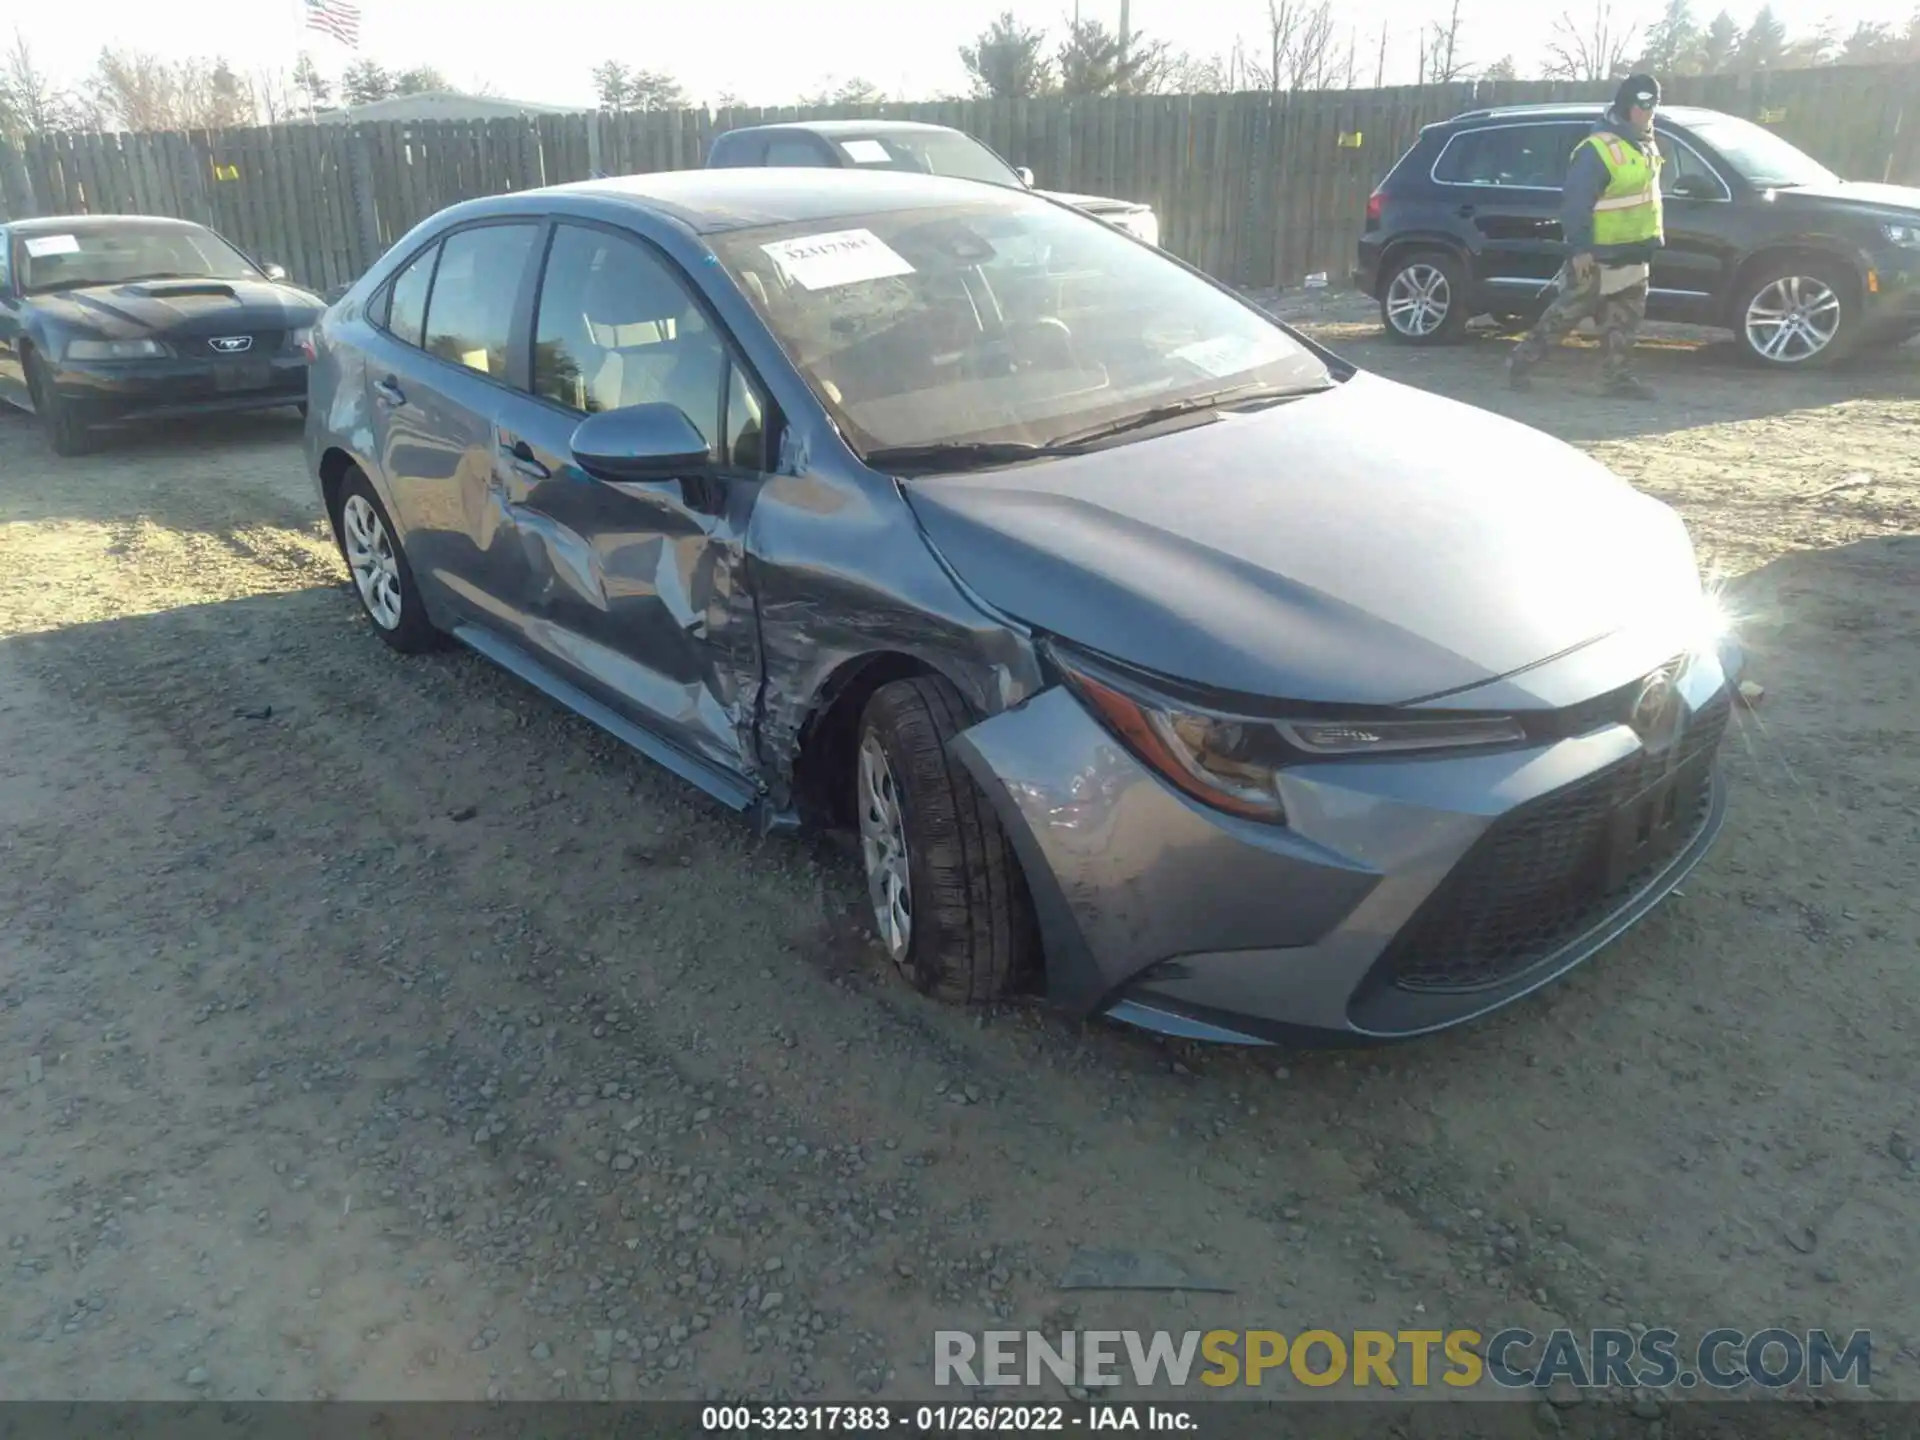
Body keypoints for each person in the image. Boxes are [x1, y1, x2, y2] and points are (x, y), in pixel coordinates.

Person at [1507, 75, 1665, 400]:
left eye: (1654, 105)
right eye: (1643, 105)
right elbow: (1576, 203)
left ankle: (1617, 379)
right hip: (1597, 255)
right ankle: (1520, 364)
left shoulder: (1645, 143)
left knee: (1624, 323)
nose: (1649, 113)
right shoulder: (1598, 150)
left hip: (1634, 252)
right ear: (1627, 106)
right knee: (1564, 316)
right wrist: (1580, 249)